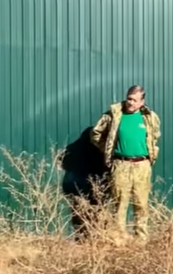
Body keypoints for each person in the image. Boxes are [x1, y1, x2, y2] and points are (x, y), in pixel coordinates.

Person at [90, 84, 162, 240]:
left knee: (141, 204)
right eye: (129, 99)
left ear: (142, 102)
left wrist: (151, 155)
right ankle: (119, 239)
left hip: (142, 165)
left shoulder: (150, 117)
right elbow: (96, 134)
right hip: (120, 164)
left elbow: (154, 136)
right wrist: (109, 149)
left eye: (135, 100)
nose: (131, 103)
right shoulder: (114, 115)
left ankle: (141, 239)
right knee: (119, 203)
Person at [61, 126, 108, 241]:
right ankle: (92, 238)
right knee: (93, 213)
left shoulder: (75, 150)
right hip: (86, 185)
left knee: (82, 215)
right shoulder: (99, 150)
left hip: (82, 186)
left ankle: (84, 239)